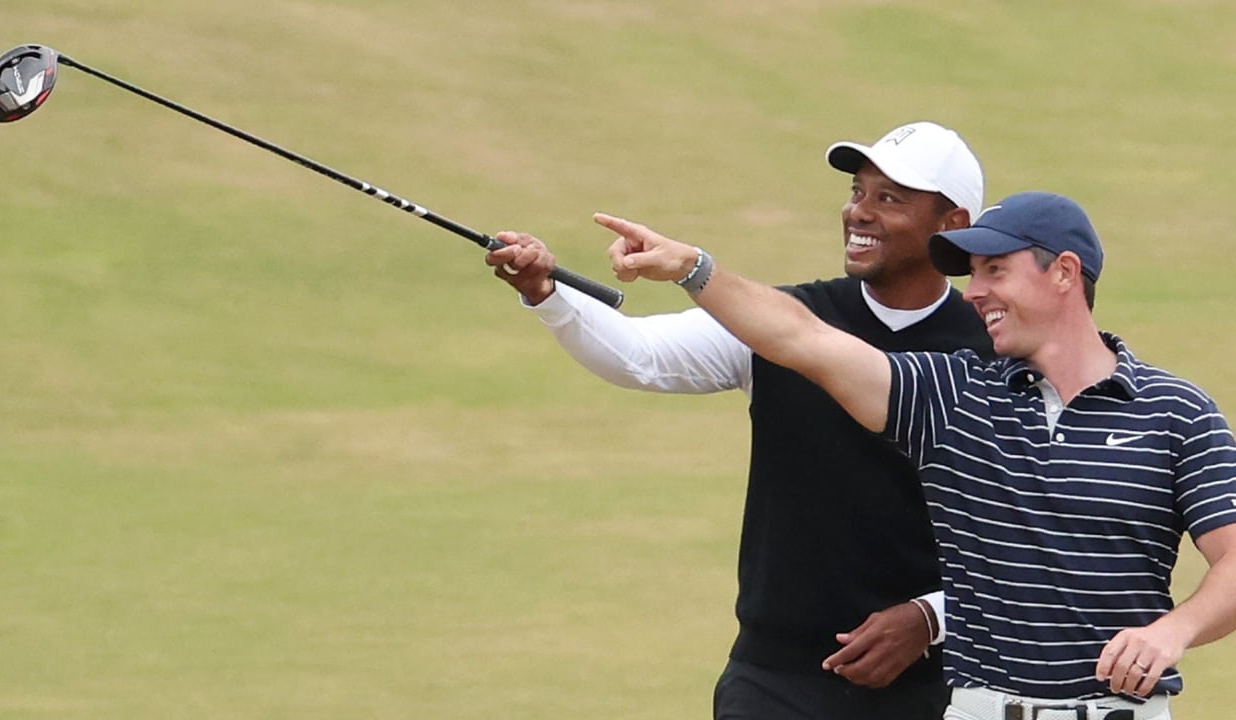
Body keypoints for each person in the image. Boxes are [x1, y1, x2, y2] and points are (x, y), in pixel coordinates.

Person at [589, 191, 1236, 720]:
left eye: (995, 271)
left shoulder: (1176, 413)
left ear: (1063, 273)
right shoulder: (952, 394)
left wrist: (1172, 631)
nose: (973, 291)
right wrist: (694, 269)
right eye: (972, 273)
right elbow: (803, 339)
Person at [486, 122, 995, 720]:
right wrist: (547, 292)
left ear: (952, 225)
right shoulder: (780, 319)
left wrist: (929, 618)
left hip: (938, 685)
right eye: (858, 192)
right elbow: (640, 356)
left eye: (890, 199)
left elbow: (1046, 534)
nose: (859, 212)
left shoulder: (997, 350)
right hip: (775, 676)